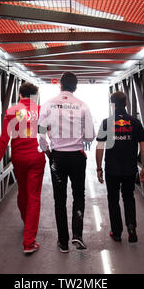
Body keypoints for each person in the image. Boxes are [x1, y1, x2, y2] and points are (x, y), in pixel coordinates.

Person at [38, 72, 95, 253]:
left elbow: (40, 133)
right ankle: (77, 235)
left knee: (59, 199)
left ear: (60, 85)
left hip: (57, 158)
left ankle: (63, 242)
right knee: (79, 196)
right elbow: (90, 136)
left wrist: (48, 152)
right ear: (76, 87)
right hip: (77, 157)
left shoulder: (48, 104)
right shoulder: (83, 106)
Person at [0, 82, 46, 255]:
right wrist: (51, 155)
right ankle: (29, 242)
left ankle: (26, 221)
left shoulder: (11, 111)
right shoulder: (41, 110)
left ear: (20, 95)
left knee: (23, 192)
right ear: (34, 96)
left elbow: (4, 139)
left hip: (19, 158)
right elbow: (45, 136)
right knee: (34, 197)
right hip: (36, 157)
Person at [95, 91, 144, 243]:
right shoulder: (135, 122)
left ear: (112, 105)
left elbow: (100, 147)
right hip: (129, 169)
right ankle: (132, 229)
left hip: (112, 169)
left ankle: (117, 232)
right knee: (128, 198)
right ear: (126, 104)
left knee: (113, 200)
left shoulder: (106, 122)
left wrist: (99, 168)